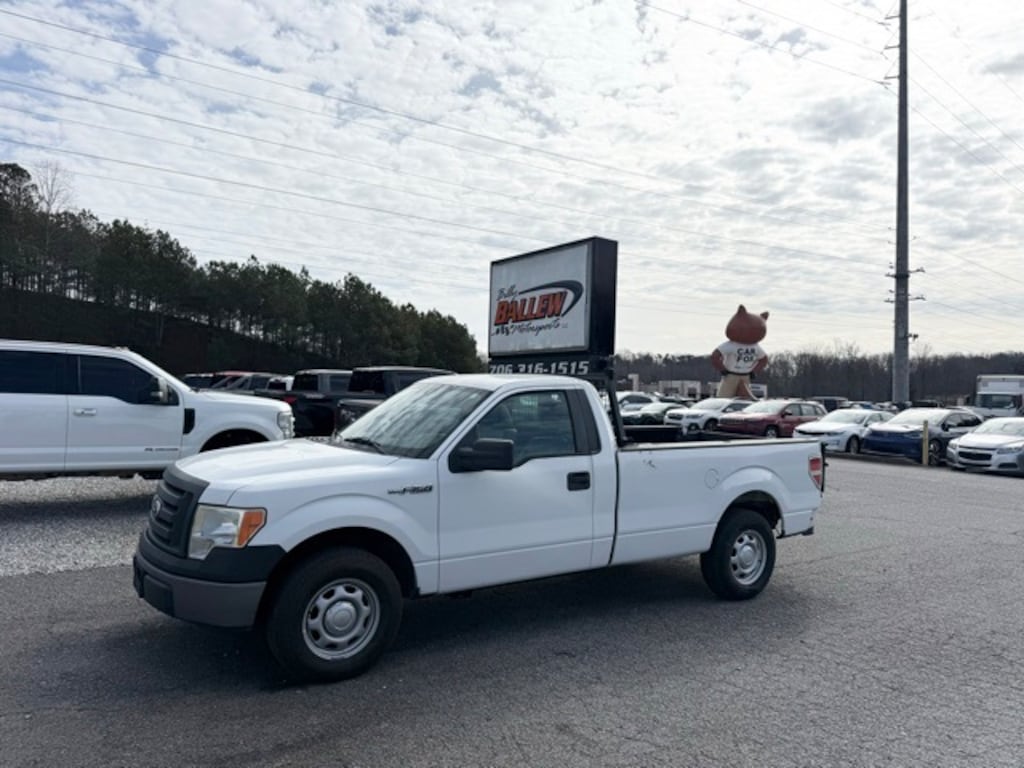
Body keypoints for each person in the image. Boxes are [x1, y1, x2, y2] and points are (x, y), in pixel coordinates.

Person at [711, 305, 769, 400]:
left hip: (744, 375)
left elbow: (764, 359)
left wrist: (754, 371)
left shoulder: (754, 347)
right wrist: (722, 369)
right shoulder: (731, 345)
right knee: (724, 398)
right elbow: (715, 356)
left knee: (743, 397)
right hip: (732, 374)